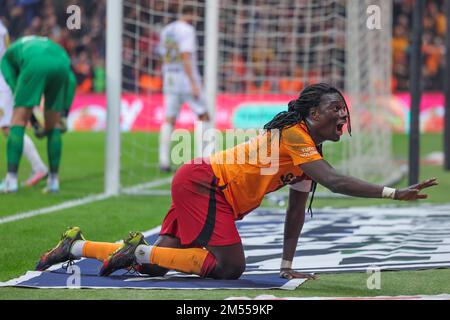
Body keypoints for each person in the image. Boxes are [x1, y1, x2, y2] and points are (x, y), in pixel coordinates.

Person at [35, 83, 438, 280]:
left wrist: (286, 265)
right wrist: (392, 193)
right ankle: (136, 251)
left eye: (343, 111)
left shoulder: (306, 153)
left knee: (158, 265)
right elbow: (334, 182)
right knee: (231, 268)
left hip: (203, 184)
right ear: (312, 112)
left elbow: (297, 210)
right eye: (335, 108)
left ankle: (75, 246)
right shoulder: (295, 135)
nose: (342, 117)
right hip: (204, 185)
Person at [0, 35, 71, 193]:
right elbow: (71, 81)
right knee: (54, 126)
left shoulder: (6, 59)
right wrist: (64, 114)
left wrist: (27, 113)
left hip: (36, 63)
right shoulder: (32, 43)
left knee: (16, 122)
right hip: (63, 60)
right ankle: (53, 181)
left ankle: (11, 181)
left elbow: (14, 86)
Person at [158, 4, 210, 172]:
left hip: (170, 77)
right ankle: (205, 158)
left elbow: (163, 55)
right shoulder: (187, 30)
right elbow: (185, 55)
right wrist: (194, 83)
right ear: (191, 14)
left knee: (169, 119)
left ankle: (163, 160)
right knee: (204, 115)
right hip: (186, 79)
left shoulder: (166, 30)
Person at [0, 22, 48, 192]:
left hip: (3, 83)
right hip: (5, 78)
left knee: (9, 128)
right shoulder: (2, 27)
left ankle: (38, 167)